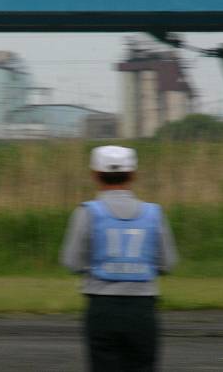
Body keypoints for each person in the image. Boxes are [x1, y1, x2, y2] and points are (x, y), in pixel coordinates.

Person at [60, 145, 178, 372]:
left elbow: (72, 262)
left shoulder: (87, 212)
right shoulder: (154, 213)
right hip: (142, 309)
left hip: (102, 308)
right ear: (133, 175)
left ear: (95, 175)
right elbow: (168, 263)